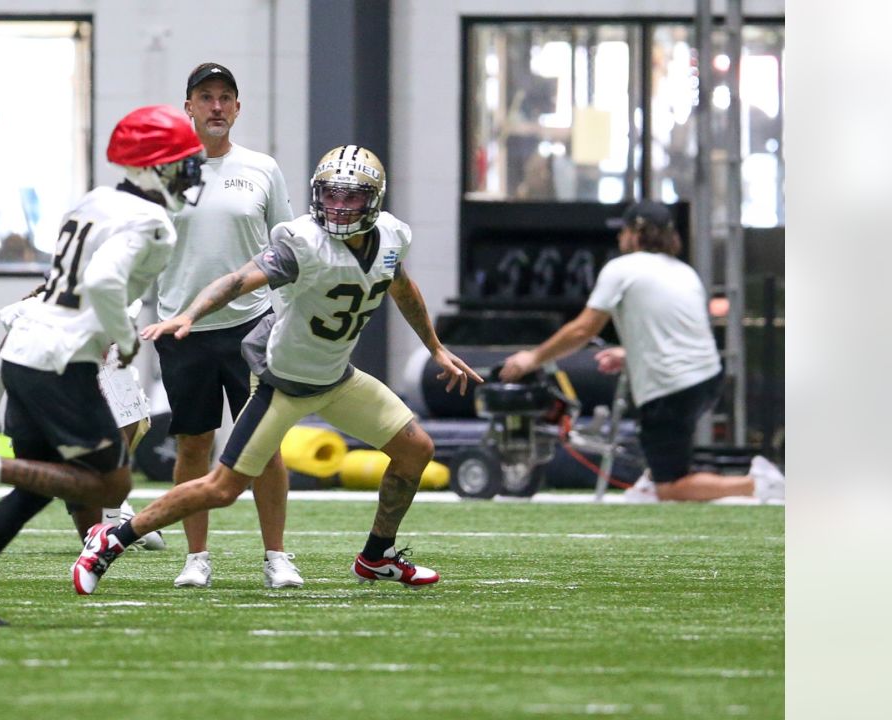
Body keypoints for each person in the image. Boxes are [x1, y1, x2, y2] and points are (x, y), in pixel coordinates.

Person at [70, 145, 484, 595]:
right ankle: (112, 540)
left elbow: (399, 284)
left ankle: (376, 555)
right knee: (223, 488)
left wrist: (435, 347)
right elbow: (238, 280)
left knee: (415, 450)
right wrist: (190, 314)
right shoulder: (303, 242)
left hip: (338, 379)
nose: (339, 207)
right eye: (331, 196)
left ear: (374, 200)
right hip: (281, 385)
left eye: (351, 197)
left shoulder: (389, 237)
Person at [0, 104, 206, 625]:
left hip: (25, 350)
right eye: (181, 161)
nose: (191, 171)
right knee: (113, 484)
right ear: (152, 166)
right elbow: (102, 282)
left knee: (38, 485)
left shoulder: (94, 202)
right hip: (61, 362)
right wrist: (124, 339)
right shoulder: (152, 222)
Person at [498, 200, 785, 503]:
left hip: (673, 386)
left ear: (635, 233)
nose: (618, 238)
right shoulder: (685, 272)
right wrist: (628, 353)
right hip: (707, 378)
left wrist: (533, 357)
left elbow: (584, 329)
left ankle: (756, 484)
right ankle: (651, 481)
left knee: (671, 487)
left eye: (622, 231)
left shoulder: (622, 269)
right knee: (663, 458)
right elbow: (678, 330)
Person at [154, 62, 299, 589]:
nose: (216, 106)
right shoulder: (166, 170)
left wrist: (290, 317)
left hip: (252, 329)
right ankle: (196, 557)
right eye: (205, 97)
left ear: (237, 108)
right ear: (188, 106)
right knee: (194, 443)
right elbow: (144, 250)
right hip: (181, 330)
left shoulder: (262, 168)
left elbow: (287, 247)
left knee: (264, 446)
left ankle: (277, 556)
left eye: (225, 98)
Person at [0, 284, 166, 550]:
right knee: (36, 492)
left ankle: (111, 521)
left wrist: (114, 502)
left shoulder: (110, 354)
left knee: (127, 414)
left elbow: (124, 429)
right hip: (41, 417)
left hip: (68, 427)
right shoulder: (36, 323)